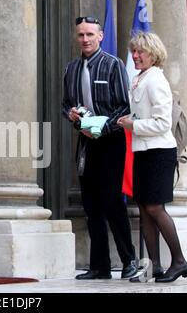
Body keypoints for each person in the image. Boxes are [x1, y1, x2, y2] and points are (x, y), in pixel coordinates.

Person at [62, 16, 137, 280]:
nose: (85, 39)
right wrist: (71, 114)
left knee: (112, 201)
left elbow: (125, 107)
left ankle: (129, 260)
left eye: (90, 35)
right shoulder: (71, 68)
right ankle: (99, 266)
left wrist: (101, 127)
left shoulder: (113, 65)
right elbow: (65, 104)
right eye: (81, 35)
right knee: (91, 205)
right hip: (85, 143)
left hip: (110, 142)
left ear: (100, 36)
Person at [117, 32, 187, 283]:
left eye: (141, 52)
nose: (135, 56)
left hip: (159, 152)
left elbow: (162, 123)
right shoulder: (139, 79)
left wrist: (132, 125)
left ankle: (179, 261)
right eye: (133, 52)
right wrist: (129, 122)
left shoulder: (156, 80)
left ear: (153, 54)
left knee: (155, 208)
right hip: (143, 151)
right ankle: (153, 267)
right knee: (145, 210)